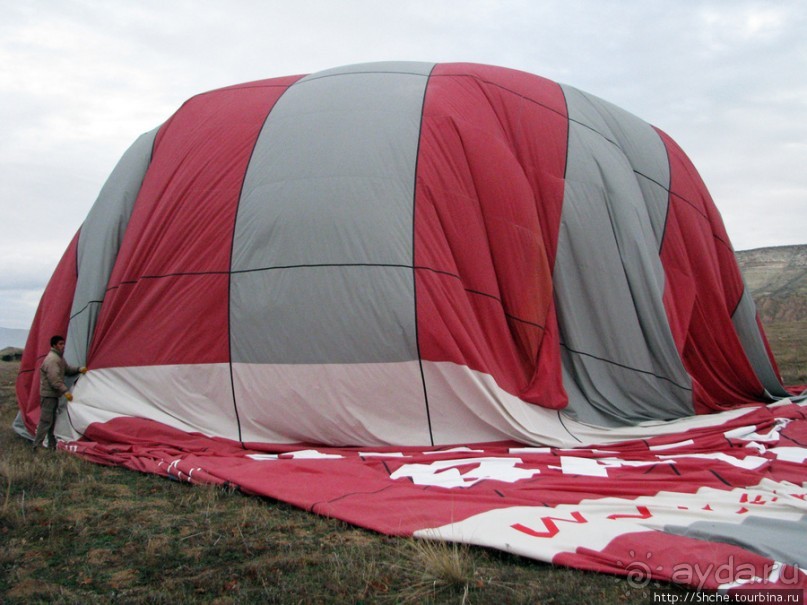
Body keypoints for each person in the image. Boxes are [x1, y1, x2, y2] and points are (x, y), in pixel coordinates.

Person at [33, 335, 87, 451]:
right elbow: (55, 380)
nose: (63, 346)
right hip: (48, 396)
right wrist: (66, 392)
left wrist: (78, 369)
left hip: (52, 395)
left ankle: (51, 445)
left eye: (63, 344)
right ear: (54, 345)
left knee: (51, 421)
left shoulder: (59, 358)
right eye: (60, 344)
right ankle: (36, 446)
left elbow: (67, 370)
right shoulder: (53, 359)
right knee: (46, 421)